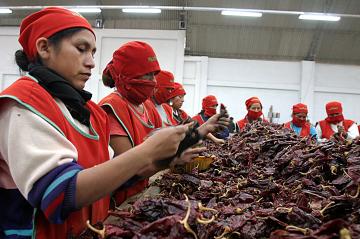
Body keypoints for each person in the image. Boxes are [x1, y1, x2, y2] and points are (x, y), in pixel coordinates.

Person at [0, 8, 199, 239]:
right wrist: (147, 152)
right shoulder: (22, 105)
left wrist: (165, 162)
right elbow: (60, 194)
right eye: (81, 49)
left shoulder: (90, 112)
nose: (92, 63)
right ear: (44, 48)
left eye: (93, 52)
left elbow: (107, 181)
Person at [98, 42, 204, 205]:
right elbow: (131, 169)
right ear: (127, 75)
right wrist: (173, 159)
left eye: (154, 75)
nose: (154, 82)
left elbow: (163, 148)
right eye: (147, 76)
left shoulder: (147, 107)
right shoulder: (112, 107)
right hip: (120, 200)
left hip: (142, 192)